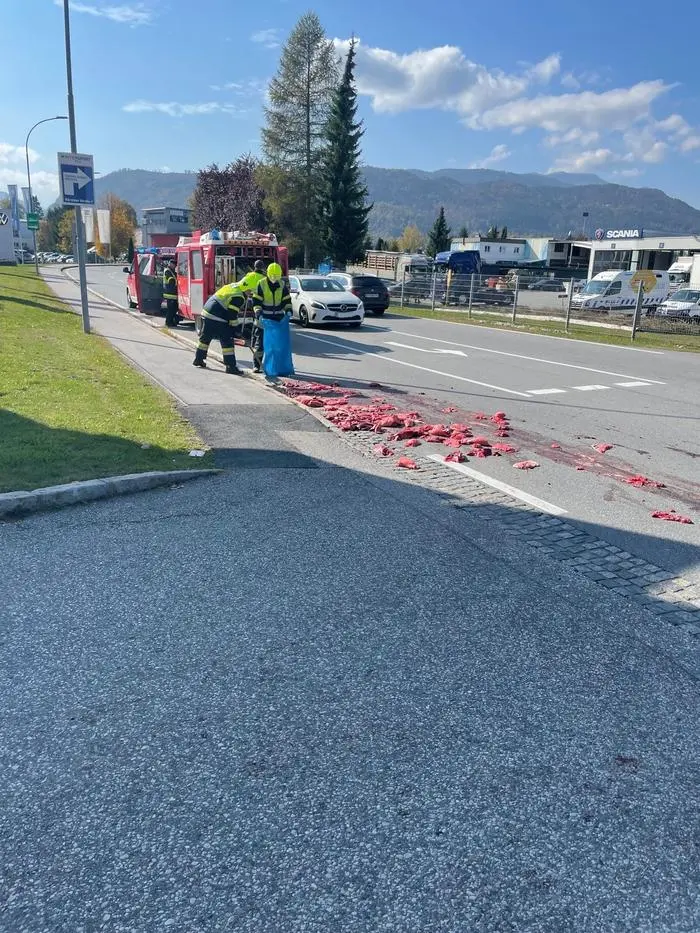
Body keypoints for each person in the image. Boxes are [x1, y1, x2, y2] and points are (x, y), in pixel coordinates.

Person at [193, 280, 245, 374]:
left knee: (205, 338)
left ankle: (198, 359)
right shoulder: (239, 296)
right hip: (218, 316)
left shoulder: (232, 287)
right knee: (227, 342)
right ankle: (230, 367)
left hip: (207, 313)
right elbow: (232, 314)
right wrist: (236, 329)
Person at [251, 262, 292, 373]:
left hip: (277, 319)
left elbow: (286, 300)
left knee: (277, 345)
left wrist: (288, 310)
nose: (274, 279)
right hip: (263, 319)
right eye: (272, 276)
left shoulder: (282, 285)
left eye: (276, 276)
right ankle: (256, 365)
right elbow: (256, 301)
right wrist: (258, 311)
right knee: (260, 344)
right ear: (268, 274)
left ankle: (275, 367)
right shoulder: (261, 284)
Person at [163, 258, 179, 327]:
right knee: (171, 309)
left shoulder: (172, 271)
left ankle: (171, 321)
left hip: (173, 293)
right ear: (170, 264)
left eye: (175, 265)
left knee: (174, 309)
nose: (175, 266)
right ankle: (168, 323)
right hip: (170, 293)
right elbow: (171, 280)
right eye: (174, 264)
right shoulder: (167, 271)